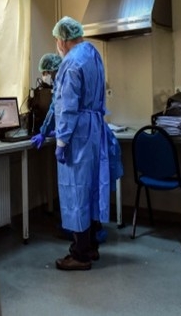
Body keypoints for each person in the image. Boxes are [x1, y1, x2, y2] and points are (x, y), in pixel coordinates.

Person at [51, 16, 116, 271]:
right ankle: (91, 247)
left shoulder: (70, 62)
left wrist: (61, 140)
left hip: (77, 133)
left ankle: (79, 254)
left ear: (63, 39)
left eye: (57, 40)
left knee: (76, 191)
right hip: (94, 130)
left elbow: (66, 106)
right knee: (90, 189)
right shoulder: (92, 54)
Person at [30, 53, 62, 149]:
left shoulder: (62, 85)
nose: (44, 76)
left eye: (45, 73)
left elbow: (54, 110)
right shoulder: (60, 84)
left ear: (53, 70)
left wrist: (44, 132)